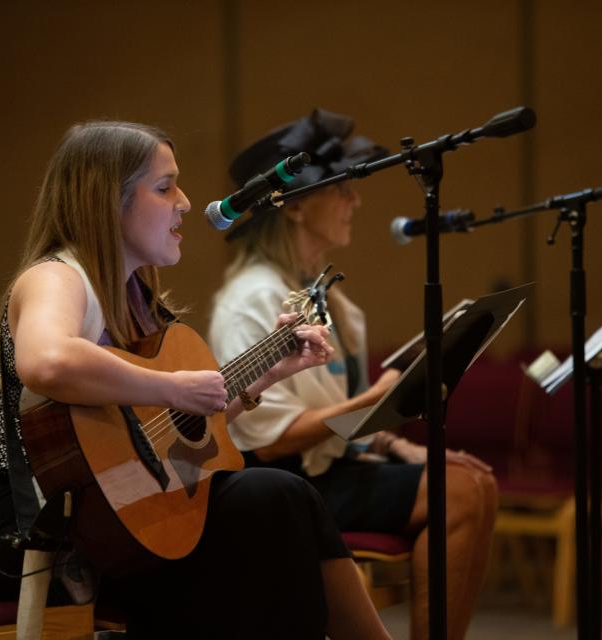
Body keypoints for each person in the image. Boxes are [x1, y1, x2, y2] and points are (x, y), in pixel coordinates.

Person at [0, 121, 392, 640]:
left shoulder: (137, 296)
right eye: (165, 187)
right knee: (272, 503)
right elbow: (47, 363)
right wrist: (171, 385)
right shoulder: (56, 276)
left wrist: (268, 371)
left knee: (278, 505)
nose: (186, 202)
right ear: (106, 201)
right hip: (31, 530)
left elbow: (172, 431)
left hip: (113, 511)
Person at [209, 109, 499, 640]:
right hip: (285, 484)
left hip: (330, 469)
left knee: (475, 481)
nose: (355, 201)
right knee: (463, 493)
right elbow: (267, 443)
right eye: (341, 190)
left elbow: (342, 418)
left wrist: (396, 445)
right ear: (295, 205)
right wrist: (381, 397)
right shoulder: (251, 298)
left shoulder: (331, 299)